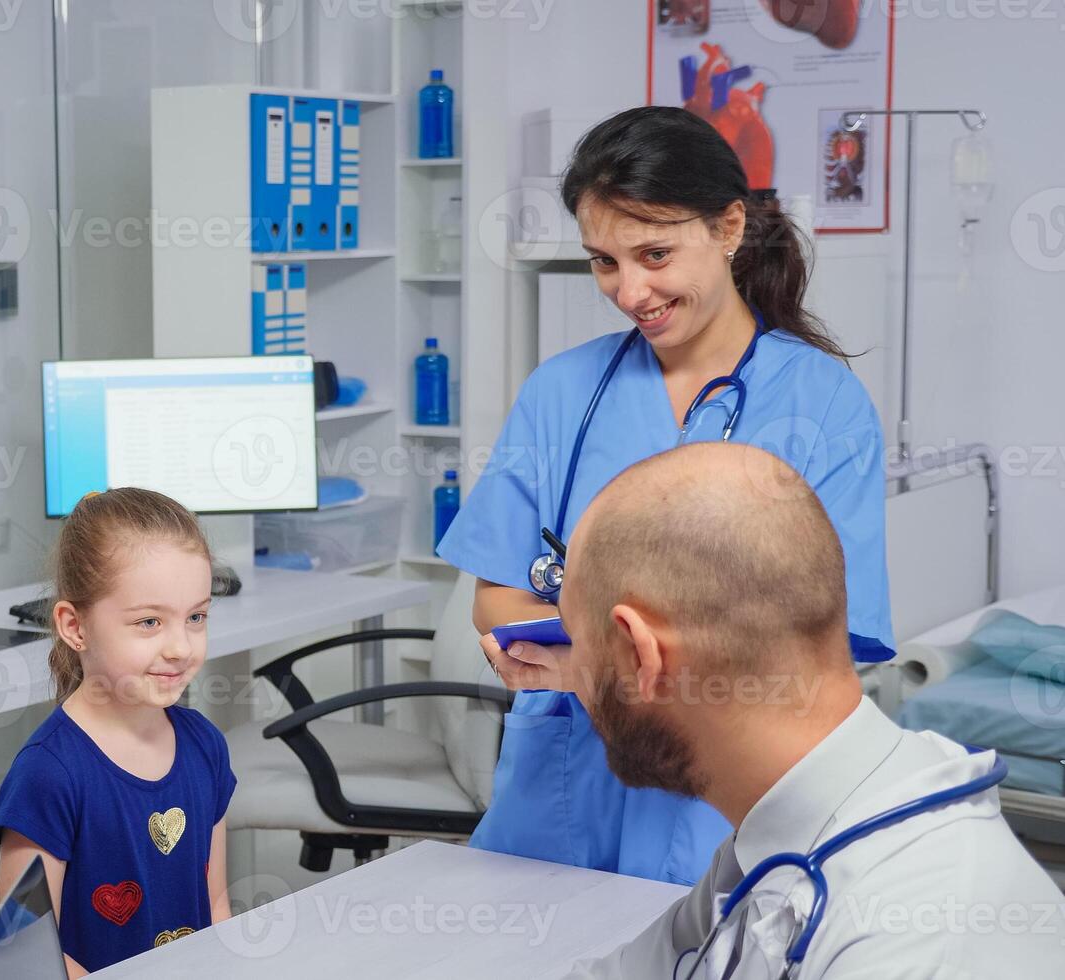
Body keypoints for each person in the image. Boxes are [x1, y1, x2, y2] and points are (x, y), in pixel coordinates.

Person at [436, 105, 894, 885]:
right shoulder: (562, 393)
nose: (629, 290)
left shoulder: (822, 406)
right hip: (559, 798)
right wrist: (591, 664)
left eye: (654, 253)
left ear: (727, 229)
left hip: (731, 799)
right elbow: (499, 597)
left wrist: (610, 667)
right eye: (604, 262)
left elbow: (831, 644)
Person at [557, 443, 1065, 978]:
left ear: (642, 656)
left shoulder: (924, 940)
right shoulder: (771, 839)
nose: (571, 681)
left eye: (573, 639)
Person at [0, 488, 235, 977]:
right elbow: (25, 958)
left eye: (196, 617)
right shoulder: (48, 774)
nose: (180, 647)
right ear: (74, 626)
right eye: (149, 622)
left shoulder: (206, 746)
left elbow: (217, 905)